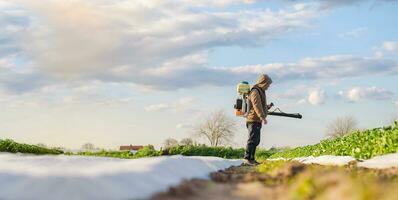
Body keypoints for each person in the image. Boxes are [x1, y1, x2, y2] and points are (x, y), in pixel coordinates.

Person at [243, 74, 272, 166]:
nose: (268, 86)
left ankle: (252, 159)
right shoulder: (255, 91)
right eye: (268, 84)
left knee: (256, 140)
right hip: (253, 119)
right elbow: (256, 105)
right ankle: (247, 158)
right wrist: (262, 117)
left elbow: (261, 105)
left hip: (257, 120)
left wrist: (267, 107)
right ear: (263, 83)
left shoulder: (260, 91)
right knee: (252, 139)